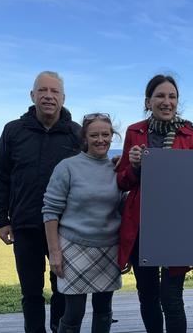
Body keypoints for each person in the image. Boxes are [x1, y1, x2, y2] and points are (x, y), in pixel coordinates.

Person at [0, 71, 80, 333]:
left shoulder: (76, 133)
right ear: (33, 95)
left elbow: (88, 174)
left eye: (54, 92)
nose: (48, 96)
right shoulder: (13, 131)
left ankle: (59, 329)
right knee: (31, 293)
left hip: (66, 227)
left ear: (63, 98)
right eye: (43, 90)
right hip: (25, 225)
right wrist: (1, 220)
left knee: (63, 289)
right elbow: (0, 176)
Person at [116, 74, 193, 333]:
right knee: (149, 296)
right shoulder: (134, 131)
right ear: (148, 101)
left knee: (172, 298)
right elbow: (122, 182)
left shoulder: (192, 134)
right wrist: (135, 167)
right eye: (161, 96)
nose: (167, 101)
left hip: (176, 227)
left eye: (172, 96)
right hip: (141, 227)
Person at [43, 113, 122, 333]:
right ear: (84, 138)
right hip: (74, 248)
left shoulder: (117, 168)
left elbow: (124, 206)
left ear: (112, 136)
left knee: (104, 310)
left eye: (105, 135)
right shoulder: (67, 167)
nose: (100, 140)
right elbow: (50, 211)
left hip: (109, 249)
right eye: (94, 135)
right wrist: (55, 252)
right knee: (74, 312)